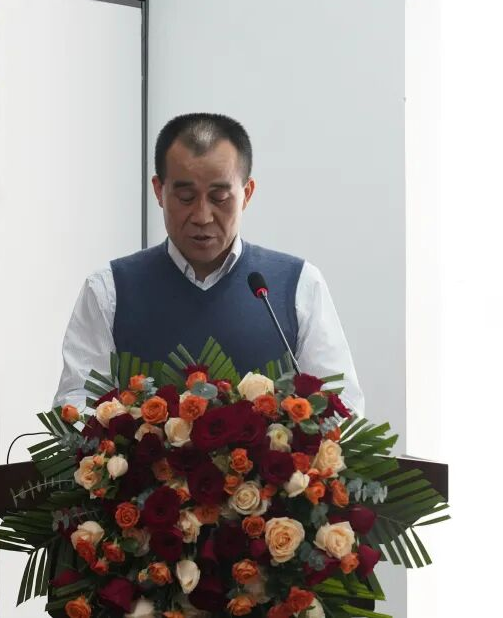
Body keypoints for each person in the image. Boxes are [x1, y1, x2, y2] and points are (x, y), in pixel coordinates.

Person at [53, 113, 364, 415]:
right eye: (186, 197)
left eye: (219, 198)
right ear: (159, 191)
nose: (202, 216)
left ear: (247, 193)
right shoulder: (109, 289)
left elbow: (340, 406)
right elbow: (76, 405)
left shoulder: (297, 284)